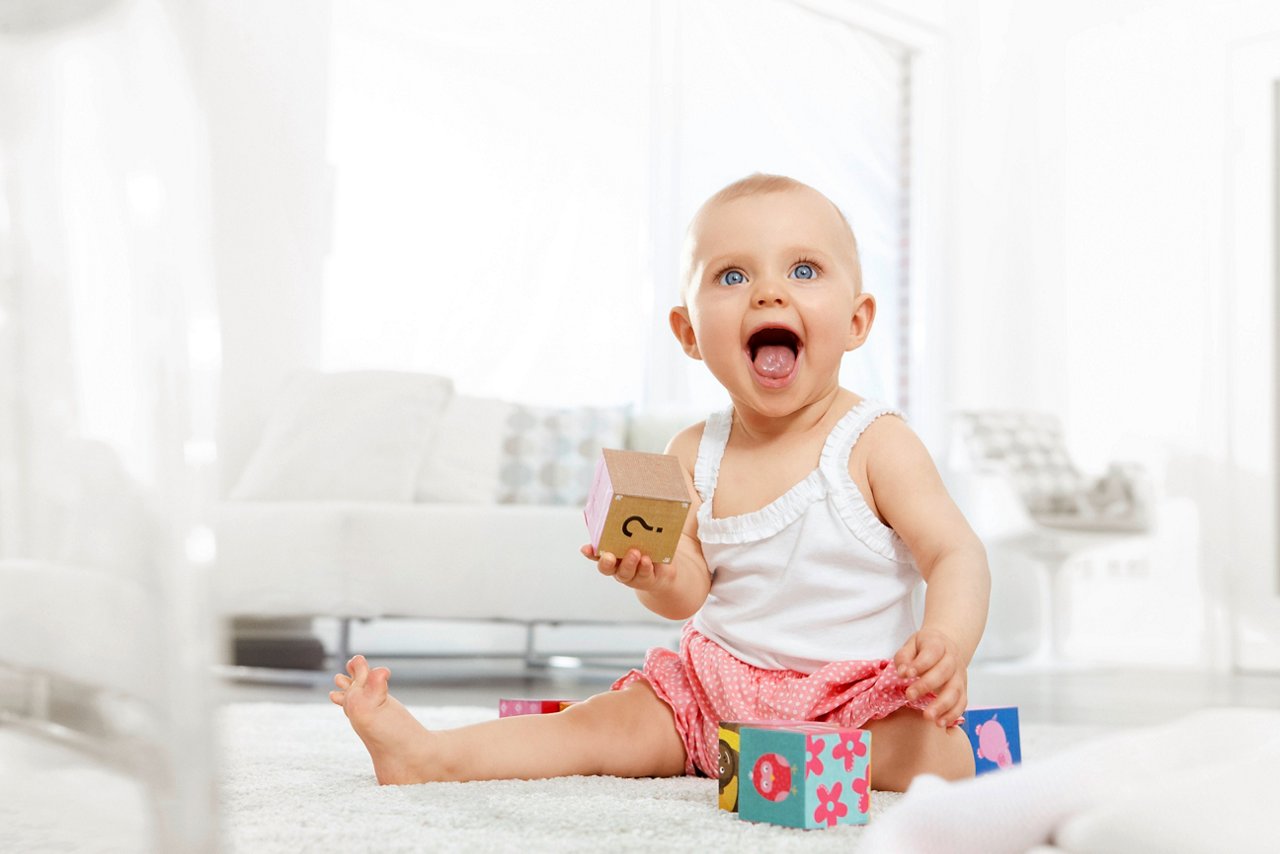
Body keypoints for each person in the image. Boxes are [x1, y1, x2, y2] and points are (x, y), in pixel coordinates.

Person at [330, 173, 991, 792]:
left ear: (856, 320)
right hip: (713, 693)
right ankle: (430, 756)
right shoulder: (692, 451)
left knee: (942, 754)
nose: (769, 291)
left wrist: (947, 641)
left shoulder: (876, 443)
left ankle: (809, 762)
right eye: (732, 275)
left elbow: (954, 552)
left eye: (804, 269)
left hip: (851, 704)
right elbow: (689, 592)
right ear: (689, 333)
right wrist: (655, 573)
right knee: (597, 724)